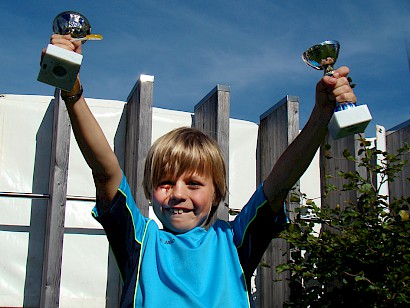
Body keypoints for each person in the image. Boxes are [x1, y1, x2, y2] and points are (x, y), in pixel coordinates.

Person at [43, 34, 357, 307]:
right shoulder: (139, 241)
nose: (178, 194)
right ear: (150, 192)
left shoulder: (233, 242)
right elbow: (105, 170)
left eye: (194, 184)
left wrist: (322, 113)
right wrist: (72, 92)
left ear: (217, 193)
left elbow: (280, 181)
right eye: (165, 183)